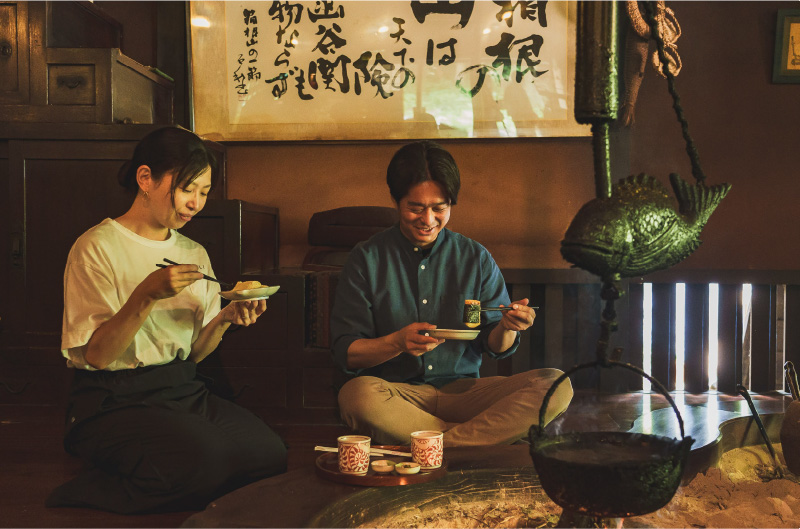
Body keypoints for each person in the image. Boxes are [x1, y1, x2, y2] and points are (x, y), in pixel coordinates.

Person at [46, 127, 287, 514]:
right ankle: (91, 487)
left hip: (178, 388)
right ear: (146, 179)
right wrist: (146, 294)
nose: (195, 203)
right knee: (206, 463)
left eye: (204, 192)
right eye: (187, 188)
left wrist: (226, 316)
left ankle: (165, 464)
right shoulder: (95, 247)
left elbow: (193, 356)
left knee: (268, 456)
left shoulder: (193, 251)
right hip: (111, 399)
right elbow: (97, 356)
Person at [331, 140, 573, 447]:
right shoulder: (367, 258)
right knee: (356, 396)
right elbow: (346, 351)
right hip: (396, 394)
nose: (428, 220)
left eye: (439, 208)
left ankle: (437, 444)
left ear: (451, 203)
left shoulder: (474, 257)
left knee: (556, 384)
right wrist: (395, 342)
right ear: (396, 200)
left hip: (466, 393)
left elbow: (496, 346)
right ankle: (475, 440)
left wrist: (507, 327)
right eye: (415, 208)